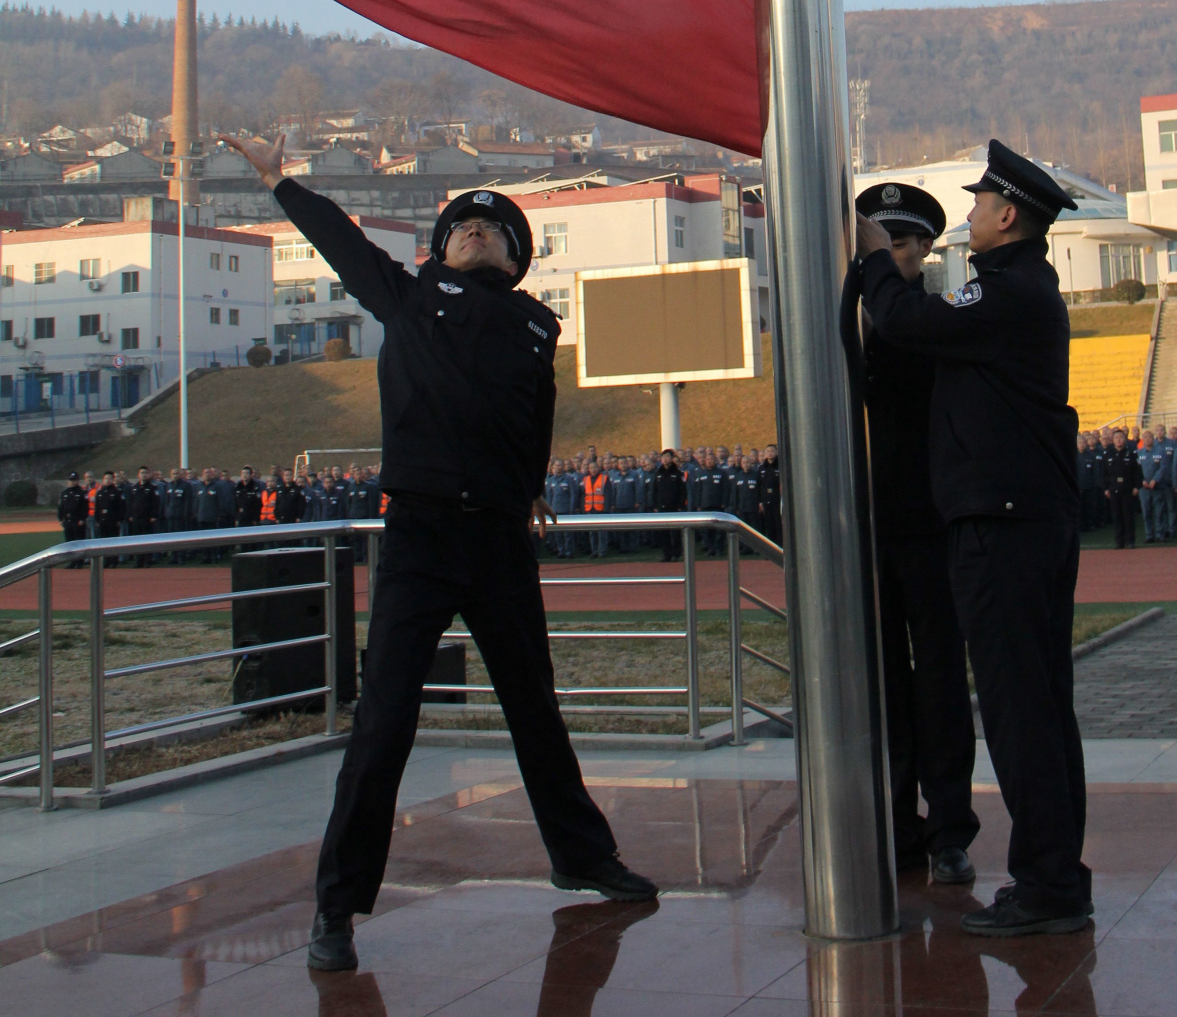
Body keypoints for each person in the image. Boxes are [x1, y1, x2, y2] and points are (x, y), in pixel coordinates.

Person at [225, 134, 656, 972]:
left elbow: (537, 422)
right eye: (461, 229)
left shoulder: (539, 328)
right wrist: (282, 181)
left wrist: (530, 488)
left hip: (498, 535)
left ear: (518, 258)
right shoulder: (409, 298)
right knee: (384, 719)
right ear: (437, 249)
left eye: (492, 232)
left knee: (535, 704)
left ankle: (580, 855)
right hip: (421, 533)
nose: (476, 234)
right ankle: (337, 906)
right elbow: (342, 242)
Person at [856, 139, 1089, 937]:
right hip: (1025, 518)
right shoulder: (1020, 291)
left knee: (1023, 712)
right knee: (1042, 707)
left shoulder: (1008, 292)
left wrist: (875, 260)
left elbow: (905, 316)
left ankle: (1049, 886)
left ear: (1008, 214)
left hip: (1004, 522)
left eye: (979, 204)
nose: (969, 218)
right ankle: (1058, 878)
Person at [848, 181, 977, 885]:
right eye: (880, 242)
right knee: (884, 688)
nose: (887, 254)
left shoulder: (932, 317)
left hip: (925, 527)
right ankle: (899, 826)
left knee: (939, 686)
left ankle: (950, 828)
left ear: (926, 249)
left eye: (900, 243)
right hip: (864, 531)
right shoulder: (844, 318)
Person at [1103, 432, 1141, 549]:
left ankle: (1130, 541)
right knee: (1117, 516)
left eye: (1121, 438)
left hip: (1128, 488)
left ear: (1125, 439)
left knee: (1128, 516)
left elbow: (1137, 472)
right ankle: (1119, 541)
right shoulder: (1108, 454)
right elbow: (1104, 473)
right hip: (1113, 489)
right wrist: (1105, 488)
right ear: (1112, 440)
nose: (1119, 440)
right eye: (1116, 438)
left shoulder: (1131, 454)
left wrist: (1136, 486)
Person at [653, 448, 686, 560]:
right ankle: (666, 554)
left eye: (668, 457)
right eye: (663, 457)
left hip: (674, 507)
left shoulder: (678, 474)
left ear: (672, 459)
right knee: (664, 532)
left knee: (675, 532)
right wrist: (655, 506)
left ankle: (676, 553)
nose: (665, 459)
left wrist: (681, 506)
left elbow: (683, 491)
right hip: (661, 508)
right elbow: (654, 491)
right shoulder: (658, 474)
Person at [1136, 431, 1167, 543]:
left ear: (1153, 438)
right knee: (1147, 512)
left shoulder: (1161, 452)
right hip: (1144, 488)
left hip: (1157, 487)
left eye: (1150, 437)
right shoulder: (1138, 453)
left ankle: (1160, 534)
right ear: (1142, 439)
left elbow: (1163, 468)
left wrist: (1155, 480)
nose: (1148, 439)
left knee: (1159, 512)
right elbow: (1136, 470)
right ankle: (1149, 535)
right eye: (1146, 437)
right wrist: (1142, 481)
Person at [57, 470, 89, 564]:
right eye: (70, 480)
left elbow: (85, 508)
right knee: (69, 542)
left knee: (78, 542)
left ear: (78, 481)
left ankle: (79, 561)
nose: (72, 482)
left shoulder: (82, 492)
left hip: (77, 520)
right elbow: (61, 507)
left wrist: (82, 519)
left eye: (74, 480)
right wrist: (60, 519)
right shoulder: (65, 493)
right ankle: (72, 561)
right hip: (68, 520)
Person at [756, 444, 781, 546]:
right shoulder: (762, 468)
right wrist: (760, 502)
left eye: (772, 451)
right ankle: (770, 548)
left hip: (778, 500)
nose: (770, 453)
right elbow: (759, 486)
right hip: (766, 500)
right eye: (768, 451)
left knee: (778, 524)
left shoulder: (780, 466)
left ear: (776, 452)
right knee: (768, 524)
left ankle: (780, 547)